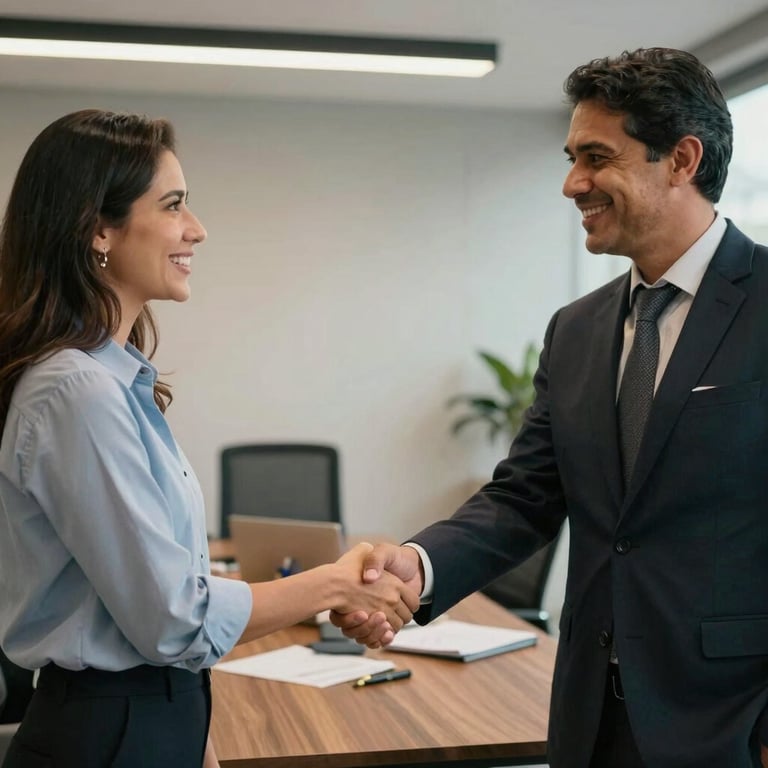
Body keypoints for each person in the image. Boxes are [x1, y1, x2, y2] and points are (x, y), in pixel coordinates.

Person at [332, 47, 768, 768]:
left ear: (682, 159)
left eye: (597, 158)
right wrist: (417, 565)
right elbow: (524, 499)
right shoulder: (578, 328)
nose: (573, 184)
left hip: (729, 727)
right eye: (571, 157)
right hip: (590, 720)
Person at [0, 109, 419, 768]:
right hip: (109, 731)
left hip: (149, 717)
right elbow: (173, 618)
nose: (196, 229)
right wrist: (335, 585)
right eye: (173, 206)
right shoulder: (75, 393)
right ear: (98, 230)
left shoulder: (110, 385)